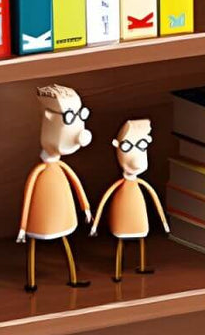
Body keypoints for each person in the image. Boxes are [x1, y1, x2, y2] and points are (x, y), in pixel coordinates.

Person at [18, 83, 93, 291]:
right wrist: (23, 228)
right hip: (40, 218)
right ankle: (31, 282)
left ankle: (73, 277)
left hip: (62, 216)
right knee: (35, 245)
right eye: (69, 117)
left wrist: (86, 209)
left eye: (80, 115)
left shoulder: (61, 168)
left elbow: (77, 185)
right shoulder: (40, 172)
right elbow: (28, 197)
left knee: (65, 240)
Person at [90, 118, 169, 281]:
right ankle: (117, 271)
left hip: (139, 219)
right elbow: (104, 201)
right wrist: (95, 224)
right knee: (120, 241)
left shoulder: (140, 184)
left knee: (141, 240)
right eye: (127, 147)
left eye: (141, 145)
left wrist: (164, 223)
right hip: (122, 219)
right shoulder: (120, 186)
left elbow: (156, 201)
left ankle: (142, 266)